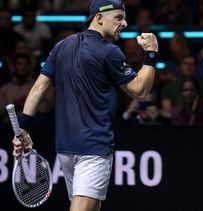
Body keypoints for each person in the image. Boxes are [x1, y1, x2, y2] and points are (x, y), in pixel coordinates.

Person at [11, 1, 159, 211]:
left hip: (65, 149)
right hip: (93, 149)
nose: (125, 23)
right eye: (118, 18)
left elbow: (38, 89)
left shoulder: (61, 46)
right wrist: (151, 53)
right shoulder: (110, 52)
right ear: (99, 18)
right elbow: (140, 90)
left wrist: (24, 128)